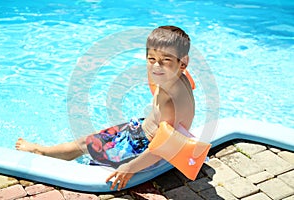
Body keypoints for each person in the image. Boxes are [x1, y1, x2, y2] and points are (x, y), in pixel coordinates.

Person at [15, 25, 195, 191]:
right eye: (151, 59)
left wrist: (130, 167)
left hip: (140, 147)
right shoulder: (179, 76)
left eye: (165, 60)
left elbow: (165, 146)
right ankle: (44, 151)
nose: (156, 66)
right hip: (140, 130)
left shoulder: (169, 101)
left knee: (88, 151)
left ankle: (43, 155)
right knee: (87, 142)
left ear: (182, 62)